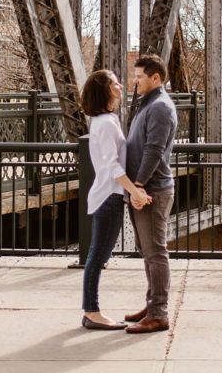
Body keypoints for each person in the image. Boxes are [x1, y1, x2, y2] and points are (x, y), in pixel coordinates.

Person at [79, 69, 152, 330]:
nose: (121, 86)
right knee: (98, 257)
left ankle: (91, 310)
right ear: (105, 90)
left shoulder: (104, 120)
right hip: (109, 195)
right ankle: (92, 312)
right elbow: (113, 167)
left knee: (97, 256)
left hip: (107, 194)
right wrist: (135, 192)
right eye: (114, 83)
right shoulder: (106, 123)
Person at [123, 53, 178, 334]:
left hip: (153, 189)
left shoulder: (159, 107)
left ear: (156, 78)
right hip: (145, 188)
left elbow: (154, 150)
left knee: (156, 252)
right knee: (147, 252)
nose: (135, 81)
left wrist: (140, 185)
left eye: (140, 76)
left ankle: (159, 313)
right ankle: (152, 303)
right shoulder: (149, 104)